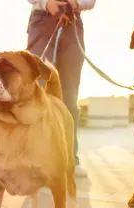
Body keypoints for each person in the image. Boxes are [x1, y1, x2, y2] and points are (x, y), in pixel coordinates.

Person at [26, 0, 96, 177]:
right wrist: (46, 3)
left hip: (72, 24)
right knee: (39, 93)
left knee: (70, 96)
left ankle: (71, 158)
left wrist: (74, 2)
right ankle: (37, 158)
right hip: (42, 21)